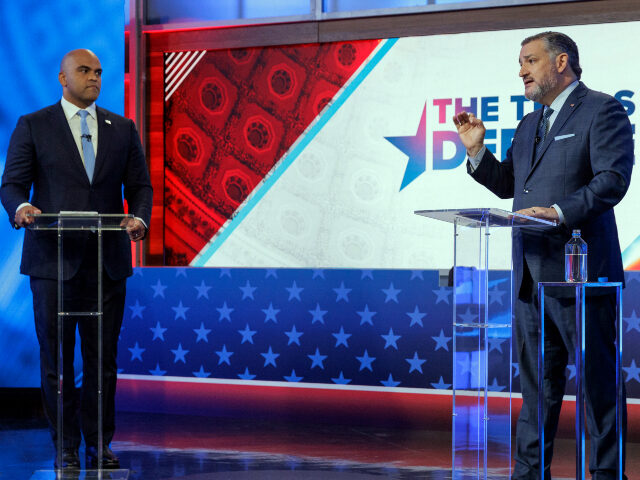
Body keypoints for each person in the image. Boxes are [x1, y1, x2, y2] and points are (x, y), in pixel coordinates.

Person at [452, 32, 632, 480]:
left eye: (529, 61)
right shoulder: (530, 123)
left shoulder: (602, 109)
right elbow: (512, 184)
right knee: (536, 388)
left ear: (561, 62)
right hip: (531, 278)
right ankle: (530, 473)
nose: (521, 71)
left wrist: (556, 212)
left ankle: (607, 474)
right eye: (520, 62)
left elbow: (613, 179)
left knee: (597, 385)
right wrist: (477, 150)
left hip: (581, 275)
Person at [1, 49, 153, 470]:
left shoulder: (122, 128)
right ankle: (64, 446)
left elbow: (140, 186)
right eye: (84, 71)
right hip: (52, 263)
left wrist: (139, 217)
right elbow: (12, 184)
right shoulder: (33, 125)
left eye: (99, 72)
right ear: (62, 79)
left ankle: (98, 445)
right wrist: (21, 209)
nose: (94, 78)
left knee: (102, 361)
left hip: (106, 264)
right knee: (57, 361)